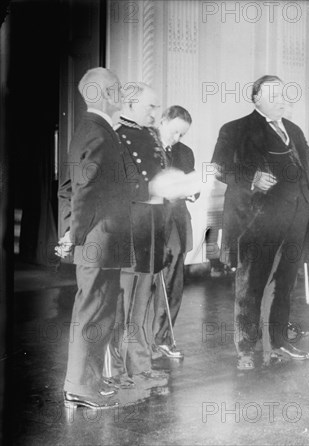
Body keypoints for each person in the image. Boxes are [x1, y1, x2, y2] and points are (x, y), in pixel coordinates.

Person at [211, 75, 309, 370]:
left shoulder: (294, 129)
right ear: (256, 99)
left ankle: (279, 340)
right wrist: (251, 179)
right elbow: (217, 168)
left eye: (283, 93)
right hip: (258, 220)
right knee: (251, 285)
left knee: (285, 283)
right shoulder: (236, 129)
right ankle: (247, 349)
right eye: (273, 94)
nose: (282, 98)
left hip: (297, 218)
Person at [56, 67, 130, 409]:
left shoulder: (88, 128)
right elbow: (83, 190)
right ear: (104, 95)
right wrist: (76, 234)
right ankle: (81, 387)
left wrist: (71, 231)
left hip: (95, 237)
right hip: (100, 239)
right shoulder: (99, 132)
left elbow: (69, 187)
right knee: (95, 310)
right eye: (116, 88)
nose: (121, 94)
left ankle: (89, 381)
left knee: (97, 310)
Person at [107, 83, 170, 389]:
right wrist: (155, 190)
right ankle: (117, 372)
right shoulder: (116, 136)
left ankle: (141, 368)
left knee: (141, 305)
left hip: (152, 231)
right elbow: (117, 185)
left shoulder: (153, 135)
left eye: (156, 107)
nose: (156, 113)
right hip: (129, 231)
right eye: (150, 107)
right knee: (122, 307)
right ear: (130, 105)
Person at [152, 106, 195, 359]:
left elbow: (193, 184)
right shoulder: (148, 147)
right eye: (175, 131)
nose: (177, 138)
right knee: (153, 285)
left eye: (182, 134)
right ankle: (146, 341)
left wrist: (192, 190)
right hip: (154, 223)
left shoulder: (185, 152)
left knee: (174, 284)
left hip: (178, 224)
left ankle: (164, 338)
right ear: (163, 121)